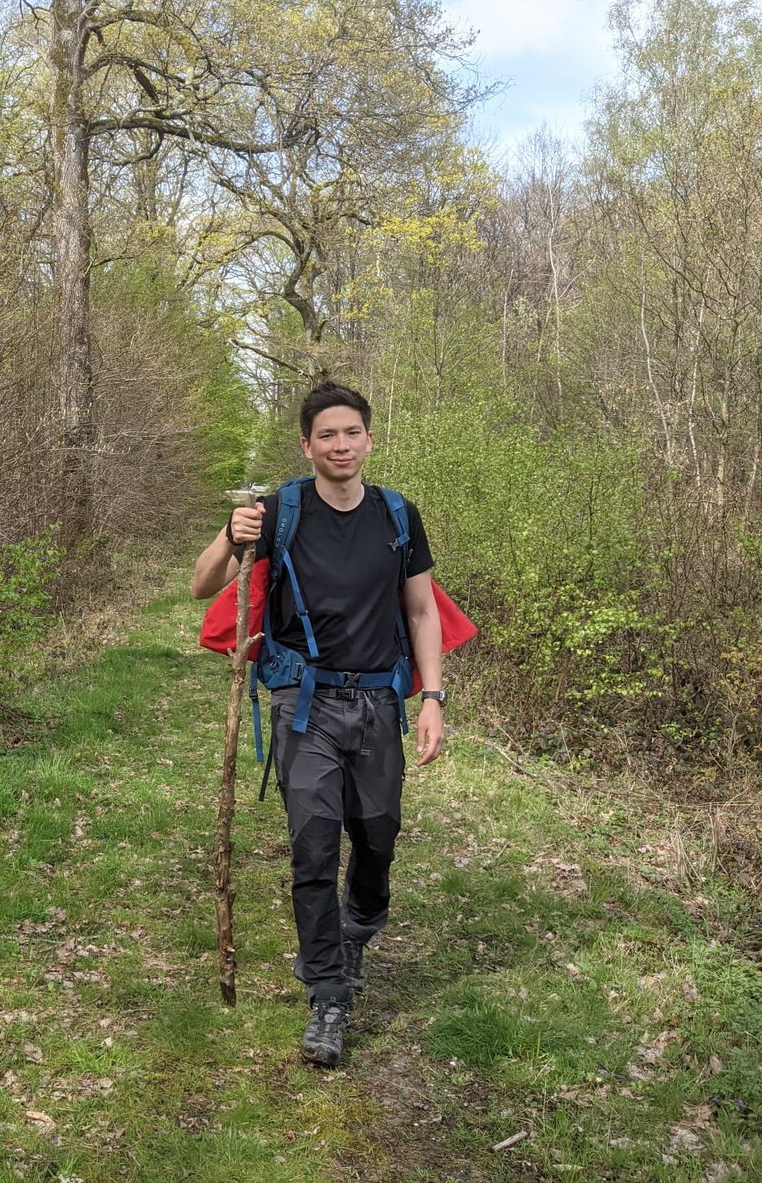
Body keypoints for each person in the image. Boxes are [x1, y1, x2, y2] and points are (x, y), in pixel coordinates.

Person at [191, 379, 444, 1067]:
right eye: (325, 435)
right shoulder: (282, 509)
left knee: (377, 837)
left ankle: (358, 927)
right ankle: (328, 994)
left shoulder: (398, 515)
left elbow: (422, 613)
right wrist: (229, 533)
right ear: (306, 446)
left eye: (351, 432)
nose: (340, 445)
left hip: (378, 705)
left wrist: (432, 699)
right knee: (311, 848)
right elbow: (202, 584)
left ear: (369, 438)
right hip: (305, 704)